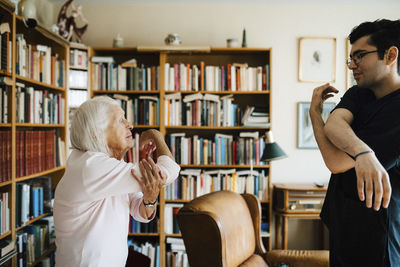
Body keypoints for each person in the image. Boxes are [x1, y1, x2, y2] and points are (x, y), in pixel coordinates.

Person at [310, 19, 400, 266]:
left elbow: (335, 160)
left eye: (359, 56)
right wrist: (363, 152)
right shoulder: (358, 93)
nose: (351, 65)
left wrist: (357, 153)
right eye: (350, 58)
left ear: (390, 55)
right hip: (344, 228)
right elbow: (334, 125)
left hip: (377, 239)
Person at [54, 96, 180, 267]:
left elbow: (139, 211)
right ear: (97, 133)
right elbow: (169, 171)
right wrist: (157, 136)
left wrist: (149, 199)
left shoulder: (109, 166)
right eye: (121, 120)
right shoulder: (91, 166)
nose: (130, 125)